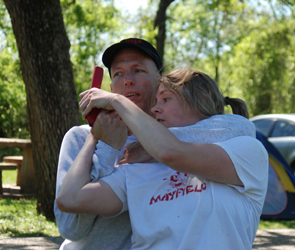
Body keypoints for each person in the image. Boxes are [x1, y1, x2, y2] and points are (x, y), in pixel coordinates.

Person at [56, 68, 269, 249]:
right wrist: (95, 137)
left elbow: (170, 152)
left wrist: (117, 100)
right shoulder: (137, 166)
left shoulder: (246, 150)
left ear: (200, 102)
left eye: (166, 99)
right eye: (156, 101)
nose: (155, 108)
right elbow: (70, 199)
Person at [54, 38, 163, 250]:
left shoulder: (173, 142)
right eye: (118, 74)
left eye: (138, 70)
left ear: (160, 80)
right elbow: (70, 229)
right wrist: (105, 148)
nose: (128, 80)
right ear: (111, 87)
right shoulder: (79, 138)